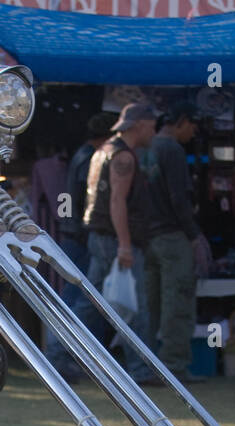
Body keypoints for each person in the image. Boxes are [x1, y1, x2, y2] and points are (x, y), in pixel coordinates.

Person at [71, 102, 158, 385]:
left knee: (89, 302)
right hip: (114, 238)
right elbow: (117, 201)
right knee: (134, 305)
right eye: (152, 126)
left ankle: (58, 355)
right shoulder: (123, 157)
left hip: (101, 234)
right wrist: (125, 244)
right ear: (140, 125)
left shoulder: (105, 150)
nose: (154, 132)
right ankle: (141, 370)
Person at [44, 112, 113, 382]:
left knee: (72, 300)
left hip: (73, 235)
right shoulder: (90, 159)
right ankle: (58, 357)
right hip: (81, 237)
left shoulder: (81, 155)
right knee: (77, 301)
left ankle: (61, 357)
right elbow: (91, 197)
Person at [142, 100, 204, 383]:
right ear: (180, 121)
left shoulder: (146, 148)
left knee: (151, 306)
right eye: (192, 125)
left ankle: (147, 365)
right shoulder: (173, 150)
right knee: (177, 304)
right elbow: (179, 199)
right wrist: (194, 236)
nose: (194, 131)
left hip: (148, 237)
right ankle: (173, 367)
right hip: (172, 236)